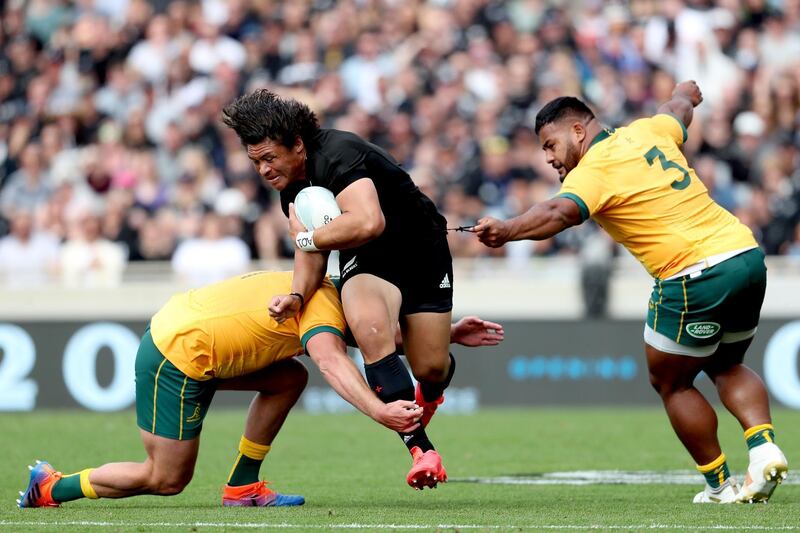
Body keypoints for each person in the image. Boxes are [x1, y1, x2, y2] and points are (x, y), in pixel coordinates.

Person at [474, 81, 789, 504]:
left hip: (693, 273)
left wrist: (508, 229)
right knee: (727, 363)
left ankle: (720, 485)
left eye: (551, 145)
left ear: (578, 131)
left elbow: (558, 212)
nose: (549, 158)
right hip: (745, 255)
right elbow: (675, 110)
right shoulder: (647, 130)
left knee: (670, 381)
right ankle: (764, 449)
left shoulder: (594, 170)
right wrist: (685, 93)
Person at [18, 270, 503, 508]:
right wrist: (380, 411)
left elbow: (369, 332)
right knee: (165, 479)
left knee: (288, 377)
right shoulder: (323, 310)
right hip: (175, 355)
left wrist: (448, 332)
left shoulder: (333, 289)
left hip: (198, 338)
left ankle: (242, 485)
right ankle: (50, 487)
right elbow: (334, 362)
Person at [222, 90, 457, 489]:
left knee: (430, 367)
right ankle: (421, 450)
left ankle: (431, 393)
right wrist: (298, 295)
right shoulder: (290, 187)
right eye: (255, 161)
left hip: (422, 251)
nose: (263, 170)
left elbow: (367, 222)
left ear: (297, 143)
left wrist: (307, 239)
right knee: (369, 328)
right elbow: (312, 252)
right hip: (368, 258)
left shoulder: (339, 152)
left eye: (269, 158)